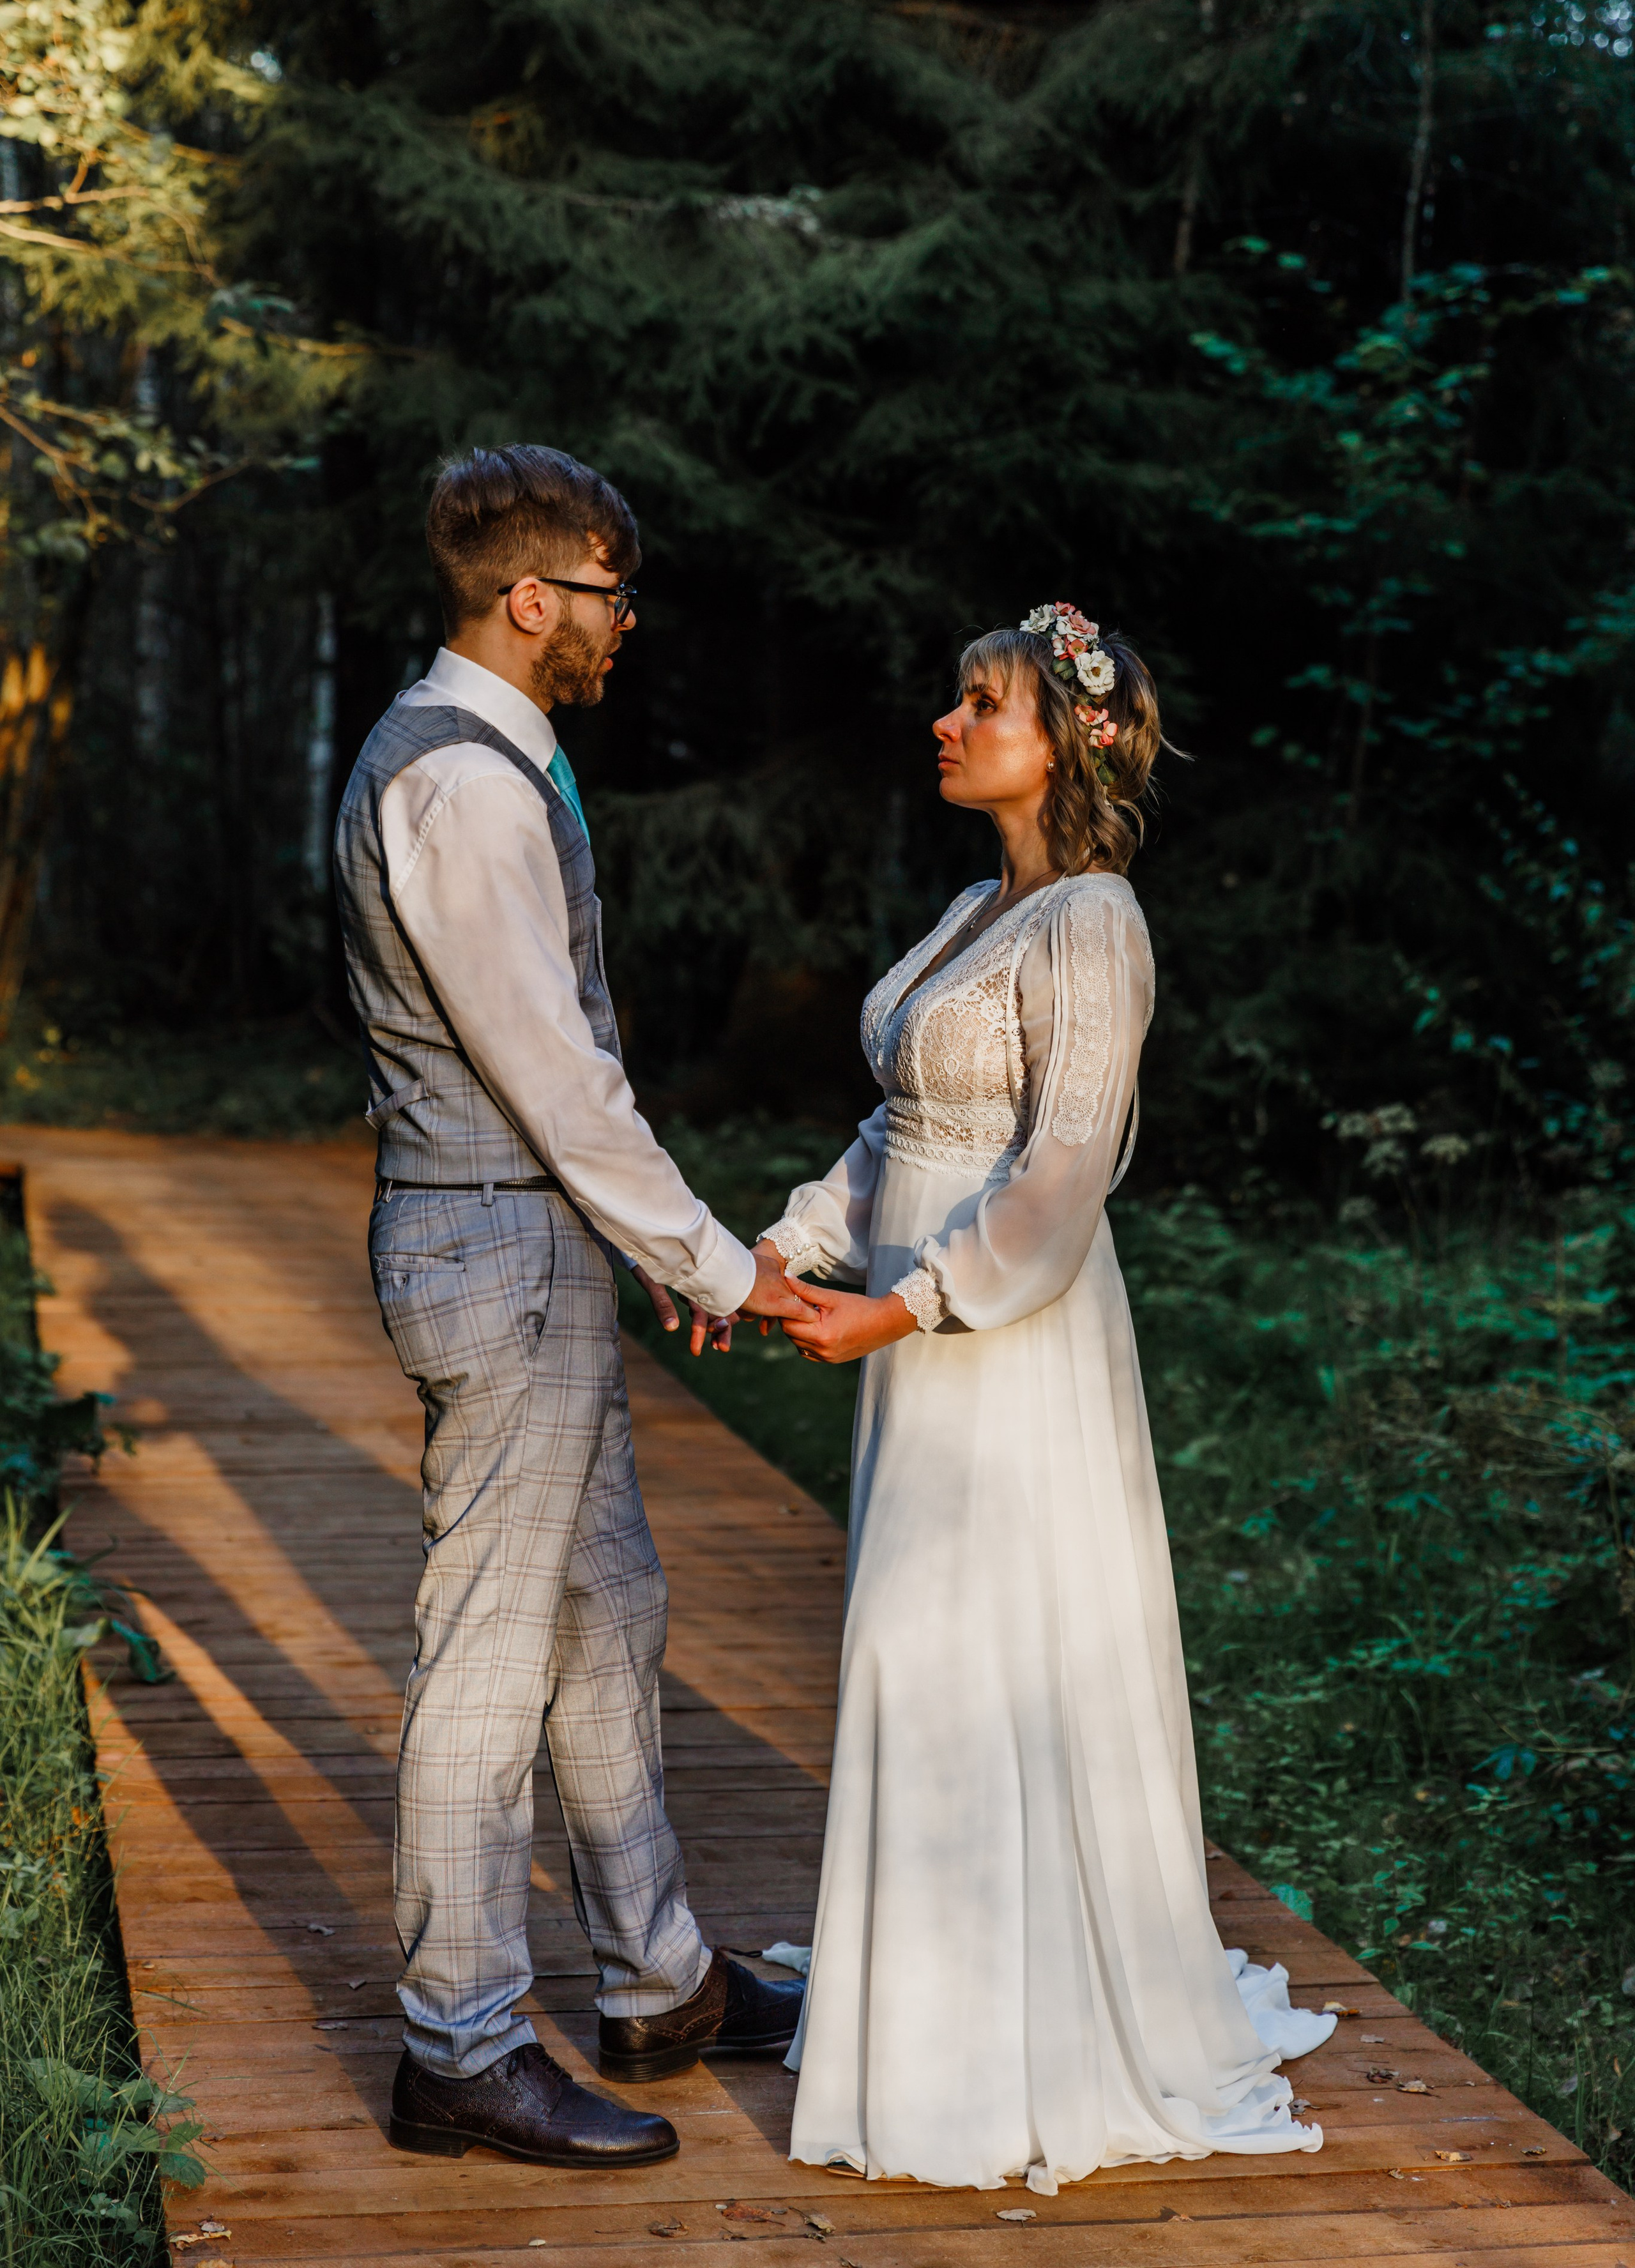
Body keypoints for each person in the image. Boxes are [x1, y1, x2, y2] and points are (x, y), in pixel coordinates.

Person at [750, 605, 1336, 2193]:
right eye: (950, 699)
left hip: (1007, 1337)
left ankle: (998, 2046)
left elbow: (1060, 1173)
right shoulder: (969, 908)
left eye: (981, 702)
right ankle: (920, 2017)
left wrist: (909, 1301)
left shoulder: (1091, 924)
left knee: (950, 1647)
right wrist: (790, 1238)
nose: (945, 722)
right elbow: (897, 1130)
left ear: (1063, 738)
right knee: (907, 1644)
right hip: (914, 1333)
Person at [333, 444, 802, 2172]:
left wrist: (639, 1244)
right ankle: (458, 2039)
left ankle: (661, 1975)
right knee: (489, 1650)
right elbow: (552, 1073)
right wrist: (710, 1253)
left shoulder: (497, 761)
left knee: (610, 1603)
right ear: (531, 598)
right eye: (607, 593)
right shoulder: (460, 786)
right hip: (498, 1245)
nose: (626, 623)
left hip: (534, 1247)